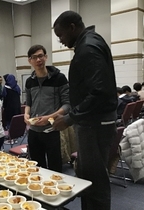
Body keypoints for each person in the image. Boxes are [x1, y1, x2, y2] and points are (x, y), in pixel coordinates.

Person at [53, 11, 118, 210]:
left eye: (61, 35)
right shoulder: (90, 42)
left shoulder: (88, 48)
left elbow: (99, 92)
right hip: (93, 122)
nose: (61, 41)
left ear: (72, 27)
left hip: (94, 124)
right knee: (89, 177)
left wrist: (70, 117)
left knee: (95, 180)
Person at [24, 45, 70, 172]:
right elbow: (28, 103)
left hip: (52, 129)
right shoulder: (29, 81)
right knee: (37, 168)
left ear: (46, 57)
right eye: (34, 57)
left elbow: (67, 105)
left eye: (40, 56)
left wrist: (50, 117)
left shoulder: (59, 78)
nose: (38, 60)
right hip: (34, 130)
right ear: (30, 61)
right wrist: (26, 114)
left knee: (55, 168)